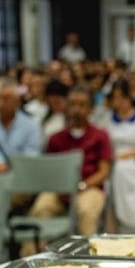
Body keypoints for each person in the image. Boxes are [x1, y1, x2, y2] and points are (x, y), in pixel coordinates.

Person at [27, 86, 112, 236]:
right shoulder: (55, 138)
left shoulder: (100, 136)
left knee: (86, 211)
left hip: (89, 187)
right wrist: (61, 187)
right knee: (40, 208)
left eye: (82, 105)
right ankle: (35, 255)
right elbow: (49, 169)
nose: (76, 109)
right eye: (72, 104)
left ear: (91, 109)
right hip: (59, 189)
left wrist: (82, 185)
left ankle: (89, 255)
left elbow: (104, 171)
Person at [94, 80, 135, 231]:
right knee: (111, 173)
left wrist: (128, 154)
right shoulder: (107, 118)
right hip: (112, 161)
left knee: (121, 171)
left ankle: (132, 221)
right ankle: (112, 224)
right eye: (115, 98)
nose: (118, 102)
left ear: (129, 97)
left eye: (122, 97)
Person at [0, 78, 42, 156]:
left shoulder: (31, 125)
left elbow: (32, 156)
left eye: (6, 99)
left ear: (17, 101)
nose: (2, 103)